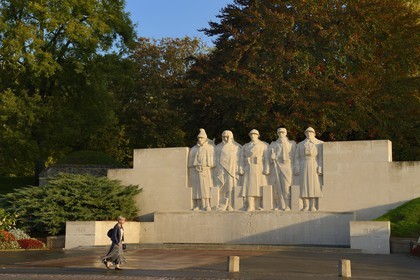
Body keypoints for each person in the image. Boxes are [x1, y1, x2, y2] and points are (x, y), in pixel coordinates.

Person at [294, 127, 324, 211]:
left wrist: (320, 167)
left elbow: (321, 157)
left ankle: (312, 205)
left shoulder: (319, 143)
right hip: (303, 164)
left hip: (314, 164)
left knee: (313, 185)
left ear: (314, 134)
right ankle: (305, 205)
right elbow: (296, 157)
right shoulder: (300, 144)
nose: (309, 134)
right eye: (307, 132)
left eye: (311, 132)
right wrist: (297, 167)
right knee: (304, 185)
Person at [239, 129, 269, 211]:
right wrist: (241, 168)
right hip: (248, 168)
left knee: (258, 187)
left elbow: (266, 158)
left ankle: (258, 204)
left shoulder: (263, 145)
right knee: (249, 187)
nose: (253, 136)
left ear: (258, 135)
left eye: (254, 134)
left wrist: (267, 168)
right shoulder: (245, 146)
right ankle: (250, 205)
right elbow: (241, 158)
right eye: (251, 134)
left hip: (259, 167)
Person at [269, 128, 296, 211]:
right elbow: (269, 158)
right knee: (276, 186)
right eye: (279, 133)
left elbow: (295, 156)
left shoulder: (292, 144)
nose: (281, 134)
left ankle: (287, 205)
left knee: (286, 186)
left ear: (286, 133)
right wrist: (272, 158)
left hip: (287, 166)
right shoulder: (273, 144)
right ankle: (278, 204)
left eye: (283, 132)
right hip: (277, 166)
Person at [188, 128, 215, 211]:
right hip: (196, 171)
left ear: (205, 138)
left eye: (201, 138)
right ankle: (198, 205)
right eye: (199, 138)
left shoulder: (209, 148)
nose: (200, 139)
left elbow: (211, 162)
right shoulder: (194, 148)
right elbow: (191, 162)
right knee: (196, 188)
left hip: (205, 170)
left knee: (205, 187)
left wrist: (205, 167)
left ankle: (207, 204)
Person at [215, 130, 242, 211]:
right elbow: (216, 159)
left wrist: (238, 168)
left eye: (227, 137)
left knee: (230, 187)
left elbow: (239, 159)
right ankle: (222, 204)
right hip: (221, 170)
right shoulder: (218, 147)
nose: (225, 138)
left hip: (232, 170)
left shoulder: (236, 147)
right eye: (224, 137)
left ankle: (230, 204)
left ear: (231, 137)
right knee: (222, 187)